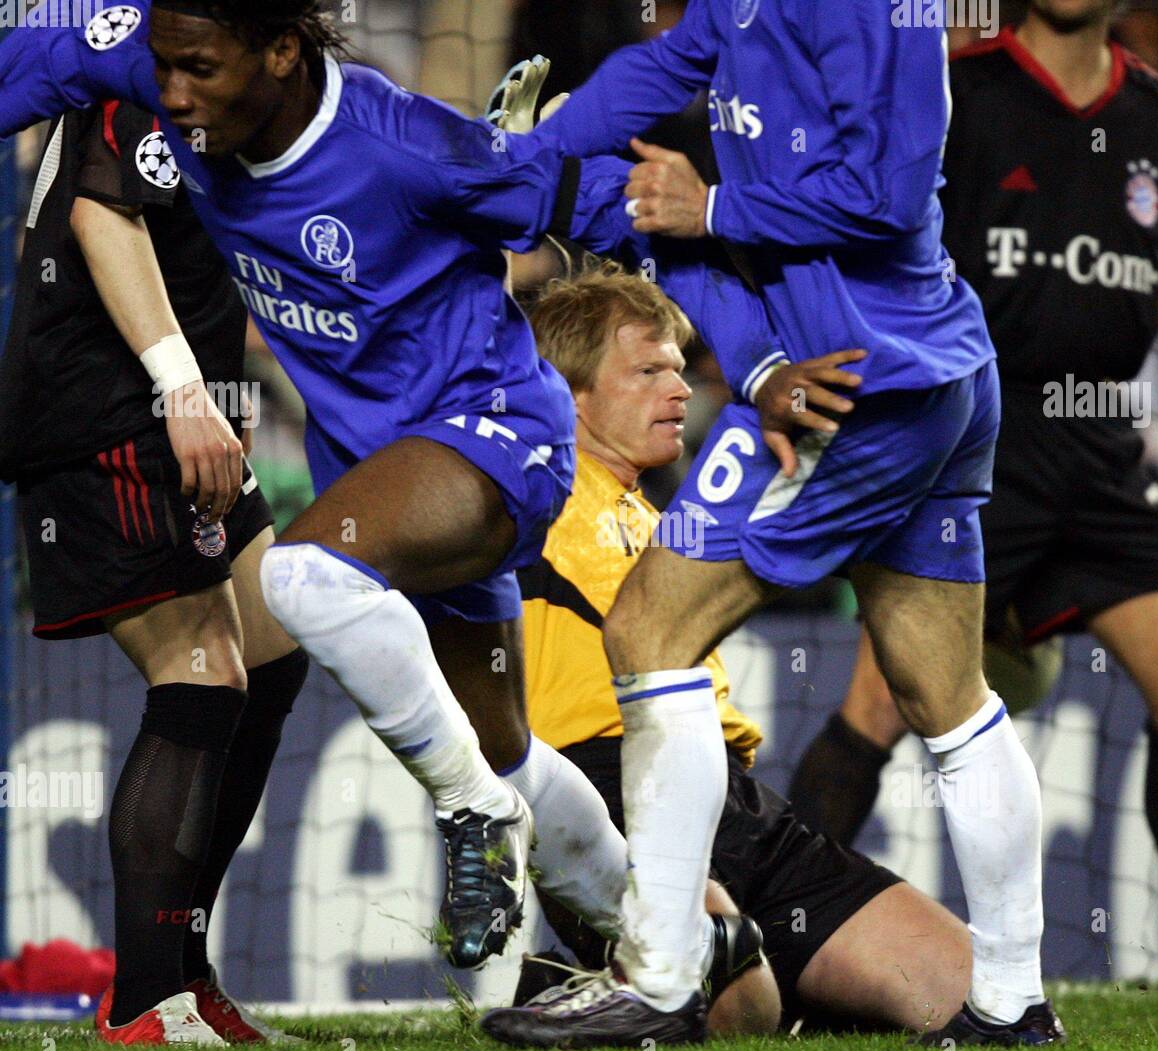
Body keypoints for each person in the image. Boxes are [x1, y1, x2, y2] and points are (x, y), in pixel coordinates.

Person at [0, 1, 806, 997]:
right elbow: (24, 67)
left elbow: (633, 219)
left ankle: (470, 812)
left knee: (296, 577)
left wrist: (768, 362)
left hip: (497, 443)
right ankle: (672, 936)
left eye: (198, 70)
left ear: (281, 48)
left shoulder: (412, 148)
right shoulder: (163, 70)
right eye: (162, 69)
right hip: (382, 483)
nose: (171, 96)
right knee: (508, 748)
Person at [485, 1, 1059, 1047]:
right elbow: (655, 75)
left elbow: (880, 200)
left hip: (860, 383)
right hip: (920, 369)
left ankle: (657, 978)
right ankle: (1012, 1005)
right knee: (943, 692)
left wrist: (715, 203)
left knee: (650, 630)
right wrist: (526, 158)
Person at [788, 0, 1158, 991]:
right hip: (975, 434)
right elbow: (879, 243)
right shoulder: (960, 89)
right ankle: (776, 936)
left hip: (1101, 451)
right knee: (881, 701)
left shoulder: (1154, 114)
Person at [483, 265, 971, 1043]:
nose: (678, 391)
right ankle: (623, 971)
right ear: (568, 395)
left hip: (737, 803)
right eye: (647, 372)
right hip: (608, 796)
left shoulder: (666, 521)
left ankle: (619, 975)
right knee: (742, 1006)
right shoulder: (527, 492)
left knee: (965, 993)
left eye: (680, 370)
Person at [0, 97, 307, 1045]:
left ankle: (182, 970)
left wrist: (220, 389)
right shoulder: (152, 71)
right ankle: (143, 1002)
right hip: (110, 418)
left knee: (273, 648)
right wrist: (184, 388)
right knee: (204, 671)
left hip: (182, 414)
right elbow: (98, 215)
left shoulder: (202, 79)